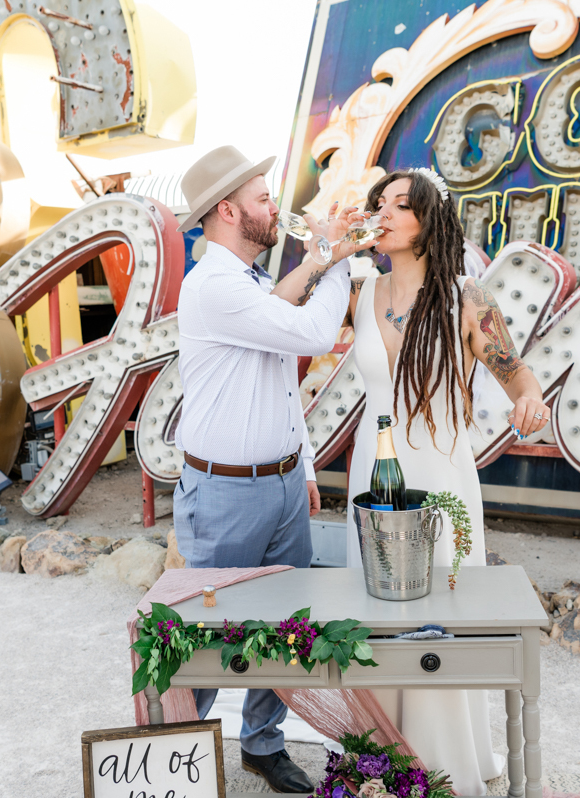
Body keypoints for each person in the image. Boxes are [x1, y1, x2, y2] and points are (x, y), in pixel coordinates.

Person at [277, 167, 551, 794]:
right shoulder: (361, 290)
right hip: (375, 477)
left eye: (401, 205)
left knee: (440, 621)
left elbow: (517, 375)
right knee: (374, 620)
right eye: (380, 203)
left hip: (442, 479)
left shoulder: (466, 297)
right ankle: (384, 767)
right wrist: (334, 247)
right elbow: (279, 312)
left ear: (430, 220)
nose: (386, 212)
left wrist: (527, 403)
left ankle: (446, 767)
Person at [172, 145, 373, 793]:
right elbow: (311, 334)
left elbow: (283, 382)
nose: (275, 209)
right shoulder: (214, 286)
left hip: (282, 483)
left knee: (285, 628)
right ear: (228, 211)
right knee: (212, 631)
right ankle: (171, 754)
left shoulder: (250, 283)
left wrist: (305, 467)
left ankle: (261, 741)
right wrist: (337, 257)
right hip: (226, 492)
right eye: (262, 199)